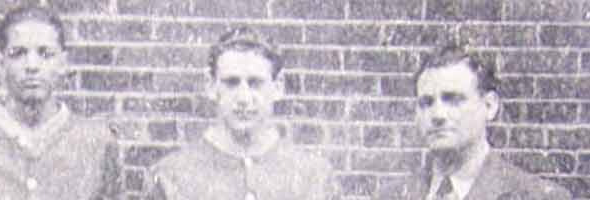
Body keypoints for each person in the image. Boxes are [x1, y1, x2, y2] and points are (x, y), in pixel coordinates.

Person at [0, 6, 123, 200]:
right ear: (1, 64)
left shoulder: (97, 145)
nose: (32, 66)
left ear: (62, 63)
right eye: (18, 53)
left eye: (45, 54)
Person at [145, 28, 334, 200]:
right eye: (231, 82)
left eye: (255, 83)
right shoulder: (171, 176)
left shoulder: (314, 177)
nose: (244, 98)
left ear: (278, 87)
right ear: (211, 86)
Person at [372, 45, 570, 200]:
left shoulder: (538, 197)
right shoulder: (390, 196)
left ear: (490, 106)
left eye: (453, 100)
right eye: (426, 102)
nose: (437, 114)